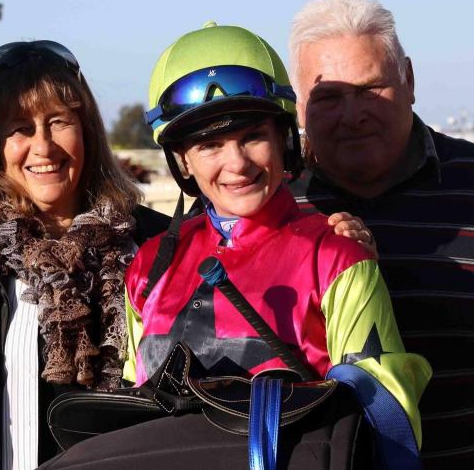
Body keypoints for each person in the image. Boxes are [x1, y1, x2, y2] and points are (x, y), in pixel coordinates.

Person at [40, 23, 431, 469]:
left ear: (284, 138)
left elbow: (387, 423)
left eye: (252, 136)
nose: (237, 163)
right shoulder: (148, 265)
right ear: (183, 161)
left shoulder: (337, 256)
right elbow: (134, 417)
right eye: (209, 145)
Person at [287, 0, 474, 469]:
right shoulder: (260, 204)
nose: (353, 115)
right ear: (299, 107)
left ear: (410, 81)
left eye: (370, 89)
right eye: (329, 97)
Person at [0, 40, 171, 469]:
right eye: (20, 127)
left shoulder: (155, 244)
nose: (43, 147)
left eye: (58, 121)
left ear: (86, 129)